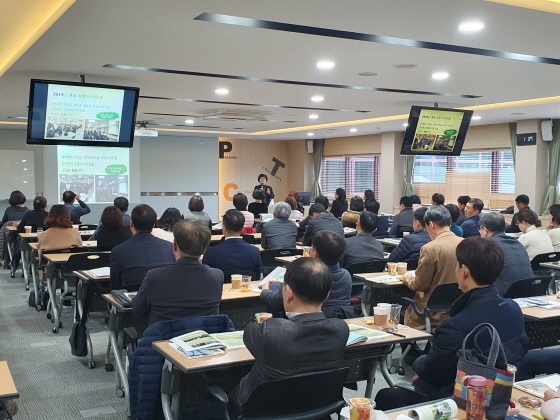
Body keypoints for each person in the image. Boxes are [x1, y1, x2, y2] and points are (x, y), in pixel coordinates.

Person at [375, 237, 529, 410]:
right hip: (502, 392)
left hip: (457, 399)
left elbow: (433, 373)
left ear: (464, 271)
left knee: (384, 396)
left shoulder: (455, 326)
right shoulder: (514, 308)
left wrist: (420, 364)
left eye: (457, 265)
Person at [199, 257, 349, 419]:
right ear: (327, 296)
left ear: (289, 292)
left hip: (256, 411)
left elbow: (251, 331)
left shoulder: (271, 331)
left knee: (207, 405)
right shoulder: (340, 329)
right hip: (313, 408)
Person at [131, 220, 223, 325]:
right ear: (204, 250)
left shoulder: (154, 277)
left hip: (163, 339)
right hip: (202, 338)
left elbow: (138, 310)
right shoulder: (217, 276)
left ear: (174, 245)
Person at [261, 231, 353, 319]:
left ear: (315, 253)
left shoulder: (308, 276)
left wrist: (265, 289)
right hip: (337, 318)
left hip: (303, 320)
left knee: (273, 286)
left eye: (312, 247)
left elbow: (275, 300)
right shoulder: (346, 275)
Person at [400, 205, 463, 329]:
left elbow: (420, 285)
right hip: (457, 306)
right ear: (449, 224)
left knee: (402, 310)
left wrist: (406, 278)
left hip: (431, 309)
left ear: (431, 225)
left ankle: (411, 348)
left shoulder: (430, 248)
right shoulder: (465, 243)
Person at [110, 204, 175, 290]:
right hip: (164, 298)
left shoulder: (118, 251)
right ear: (153, 225)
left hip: (131, 301)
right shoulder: (170, 247)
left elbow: (115, 287)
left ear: (131, 224)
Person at [479, 212, 534, 295]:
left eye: (480, 229)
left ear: (485, 230)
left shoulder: (489, 246)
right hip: (529, 291)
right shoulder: (517, 243)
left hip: (504, 295)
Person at [203, 209, 261, 276]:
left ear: (224, 229)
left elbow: (207, 277)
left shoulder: (211, 253)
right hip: (245, 286)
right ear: (243, 229)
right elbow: (257, 276)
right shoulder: (255, 251)